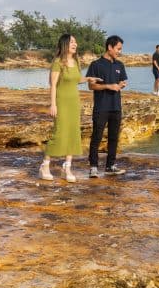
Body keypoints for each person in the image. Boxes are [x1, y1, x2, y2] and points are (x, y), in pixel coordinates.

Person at [40, 34, 98, 182]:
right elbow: (52, 85)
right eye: (72, 42)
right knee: (59, 133)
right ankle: (44, 166)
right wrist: (53, 104)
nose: (75, 44)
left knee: (73, 133)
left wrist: (89, 79)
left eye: (76, 42)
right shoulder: (58, 62)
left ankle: (67, 168)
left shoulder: (76, 61)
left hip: (74, 102)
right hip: (61, 101)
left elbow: (76, 80)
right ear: (65, 44)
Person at [86, 35, 129, 178]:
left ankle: (110, 166)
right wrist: (108, 86)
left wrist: (121, 84)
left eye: (120, 49)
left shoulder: (119, 65)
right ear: (110, 47)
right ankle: (93, 167)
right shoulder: (95, 65)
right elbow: (91, 85)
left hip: (116, 107)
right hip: (101, 107)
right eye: (118, 49)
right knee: (96, 137)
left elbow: (123, 81)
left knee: (113, 138)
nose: (119, 52)